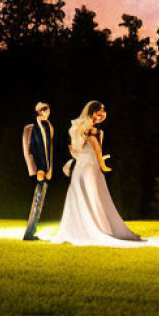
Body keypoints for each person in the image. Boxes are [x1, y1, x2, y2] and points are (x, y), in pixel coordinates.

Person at [50, 100, 145, 246]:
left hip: (90, 165)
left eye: (103, 111)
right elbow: (83, 148)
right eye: (99, 111)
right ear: (92, 113)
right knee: (81, 193)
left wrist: (100, 162)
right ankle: (81, 228)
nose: (101, 114)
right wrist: (98, 160)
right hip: (85, 165)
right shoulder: (85, 129)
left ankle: (97, 226)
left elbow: (93, 149)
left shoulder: (95, 131)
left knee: (94, 194)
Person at [22, 101, 54, 241]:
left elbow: (47, 149)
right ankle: (29, 233)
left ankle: (30, 232)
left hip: (44, 168)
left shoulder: (45, 126)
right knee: (37, 200)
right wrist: (40, 168)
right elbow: (34, 149)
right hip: (40, 169)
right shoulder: (35, 127)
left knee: (39, 200)